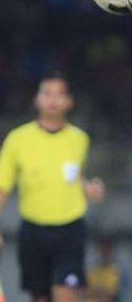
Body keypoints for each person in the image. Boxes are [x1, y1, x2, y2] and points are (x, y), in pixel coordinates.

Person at [0, 73, 105, 302]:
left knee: (66, 293)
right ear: (36, 100)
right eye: (47, 93)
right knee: (40, 297)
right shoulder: (18, 140)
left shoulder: (79, 139)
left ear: (69, 101)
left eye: (60, 94)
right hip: (33, 230)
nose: (53, 100)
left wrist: (90, 188)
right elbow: (3, 187)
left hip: (69, 229)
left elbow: (77, 175)